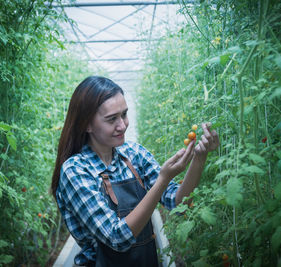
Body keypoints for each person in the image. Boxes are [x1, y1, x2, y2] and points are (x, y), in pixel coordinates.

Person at [51, 76, 220, 267]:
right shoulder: (76, 171)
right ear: (86, 124)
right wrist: (162, 180)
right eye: (111, 119)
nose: (122, 125)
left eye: (124, 114)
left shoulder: (135, 154)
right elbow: (117, 238)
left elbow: (177, 202)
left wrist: (199, 157)